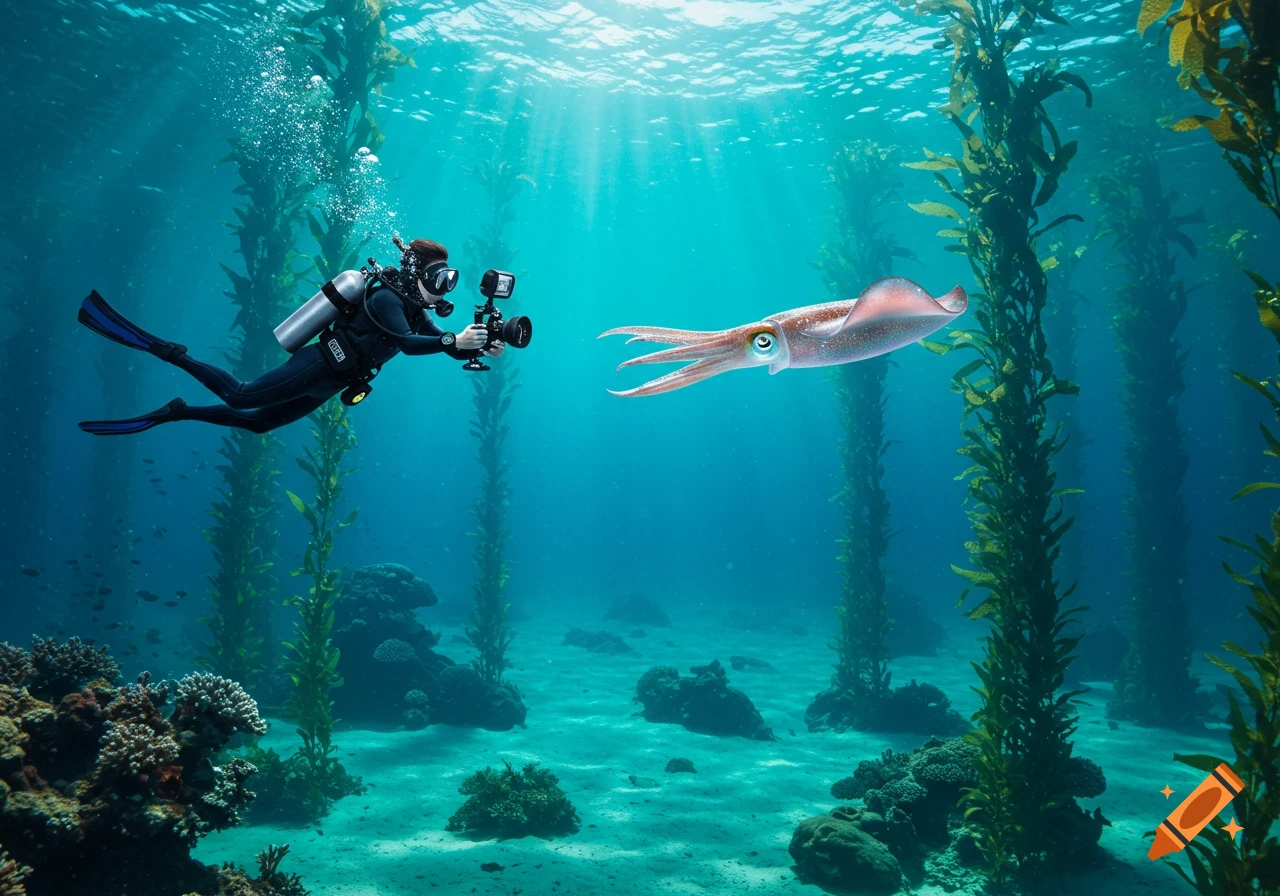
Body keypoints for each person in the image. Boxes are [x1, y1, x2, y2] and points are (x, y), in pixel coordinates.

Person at [78, 239, 502, 435]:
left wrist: (475, 346)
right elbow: (411, 345)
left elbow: (438, 341)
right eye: (439, 278)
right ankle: (168, 351)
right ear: (415, 274)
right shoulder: (388, 299)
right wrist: (454, 342)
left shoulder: (412, 309)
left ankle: (179, 412)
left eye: (450, 280)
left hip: (334, 382)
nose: (445, 287)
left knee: (259, 424)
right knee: (242, 397)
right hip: (322, 362)